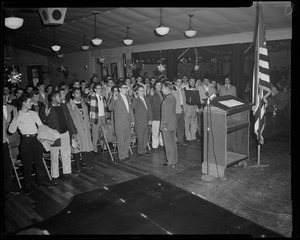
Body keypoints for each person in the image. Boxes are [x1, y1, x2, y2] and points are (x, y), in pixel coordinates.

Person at [8, 93, 51, 195]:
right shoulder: (18, 114)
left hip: (36, 139)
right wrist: (14, 119)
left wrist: (43, 136)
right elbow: (11, 130)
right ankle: (27, 187)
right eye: (29, 101)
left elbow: (40, 126)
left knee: (39, 162)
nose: (32, 103)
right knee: (27, 164)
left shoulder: (33, 113)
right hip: (26, 141)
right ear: (23, 103)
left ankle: (42, 182)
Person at [40, 91, 78, 185]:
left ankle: (67, 172)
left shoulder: (63, 106)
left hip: (65, 133)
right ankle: (55, 176)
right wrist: (46, 115)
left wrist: (73, 132)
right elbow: (42, 123)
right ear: (53, 98)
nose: (61, 98)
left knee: (66, 154)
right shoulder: (46, 108)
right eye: (59, 96)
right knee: (54, 156)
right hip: (54, 135)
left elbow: (69, 119)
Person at [67, 88, 93, 171]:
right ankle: (77, 165)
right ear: (73, 94)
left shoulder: (83, 104)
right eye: (77, 93)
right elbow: (70, 118)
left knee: (85, 145)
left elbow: (86, 115)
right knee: (76, 147)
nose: (79, 95)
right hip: (76, 127)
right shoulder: (69, 105)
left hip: (84, 127)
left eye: (79, 93)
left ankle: (85, 162)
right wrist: (73, 109)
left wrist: (88, 125)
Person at [108, 82, 135, 161]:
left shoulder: (128, 97)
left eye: (126, 88)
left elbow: (130, 110)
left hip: (128, 122)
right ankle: (122, 156)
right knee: (121, 141)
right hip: (120, 123)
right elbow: (110, 108)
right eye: (124, 88)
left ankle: (126, 154)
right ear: (119, 89)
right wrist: (114, 99)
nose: (126, 89)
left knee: (127, 139)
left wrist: (132, 120)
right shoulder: (116, 97)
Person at [3, 93, 21, 198]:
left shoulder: (10, 108)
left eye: (5, 97)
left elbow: (9, 125)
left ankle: (7, 188)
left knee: (7, 165)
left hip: (5, 140)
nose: (5, 99)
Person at [132, 85, 153, 156]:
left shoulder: (146, 98)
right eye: (140, 91)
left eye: (143, 90)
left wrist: (150, 119)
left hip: (146, 120)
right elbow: (133, 106)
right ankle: (140, 151)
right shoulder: (136, 99)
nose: (142, 92)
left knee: (145, 136)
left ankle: (144, 149)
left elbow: (149, 109)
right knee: (140, 136)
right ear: (137, 91)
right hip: (139, 121)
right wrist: (136, 98)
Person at [160, 82, 178, 168]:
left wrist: (164, 125)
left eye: (162, 88)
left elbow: (166, 114)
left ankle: (170, 162)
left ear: (167, 89)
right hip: (172, 124)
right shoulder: (172, 97)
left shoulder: (167, 99)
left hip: (167, 125)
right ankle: (174, 160)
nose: (161, 89)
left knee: (168, 144)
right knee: (172, 143)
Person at [88, 83, 106, 155]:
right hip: (96, 117)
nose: (100, 90)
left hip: (103, 116)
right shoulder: (92, 97)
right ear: (95, 89)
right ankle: (94, 149)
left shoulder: (102, 97)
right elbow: (87, 101)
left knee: (103, 133)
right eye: (98, 88)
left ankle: (103, 146)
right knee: (95, 134)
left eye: (100, 88)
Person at [148, 81, 164, 152]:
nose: (159, 86)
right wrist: (150, 95)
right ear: (154, 86)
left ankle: (161, 144)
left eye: (160, 85)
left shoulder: (163, 93)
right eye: (157, 85)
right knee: (155, 132)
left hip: (162, 115)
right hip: (155, 116)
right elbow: (147, 102)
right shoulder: (152, 93)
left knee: (162, 131)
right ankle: (155, 147)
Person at [184, 78, 201, 142]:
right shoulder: (186, 89)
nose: (192, 82)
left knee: (194, 121)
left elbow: (198, 99)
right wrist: (185, 108)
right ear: (189, 82)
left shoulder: (196, 89)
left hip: (195, 106)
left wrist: (199, 107)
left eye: (193, 81)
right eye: (191, 81)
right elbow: (184, 99)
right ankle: (188, 136)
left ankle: (193, 136)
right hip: (188, 106)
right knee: (187, 122)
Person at [172, 78, 187, 146]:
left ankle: (180, 140)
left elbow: (184, 100)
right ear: (175, 82)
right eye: (178, 82)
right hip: (175, 110)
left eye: (180, 82)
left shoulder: (182, 90)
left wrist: (185, 109)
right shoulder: (172, 90)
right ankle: (173, 141)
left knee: (181, 126)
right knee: (174, 126)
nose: (179, 83)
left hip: (182, 109)